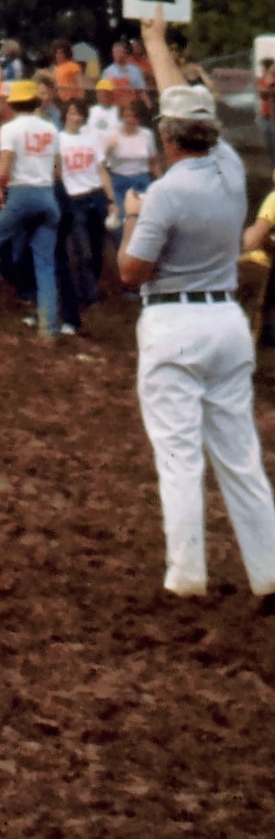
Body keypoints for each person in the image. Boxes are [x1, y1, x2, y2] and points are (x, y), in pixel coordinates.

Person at [118, 66, 275, 608]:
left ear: (166, 135)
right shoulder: (230, 168)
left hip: (174, 323)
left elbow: (131, 272)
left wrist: (130, 217)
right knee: (240, 454)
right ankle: (269, 571)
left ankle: (186, 576)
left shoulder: (163, 194)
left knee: (180, 457)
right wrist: (160, 49)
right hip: (225, 319)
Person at [0, 80, 61, 338]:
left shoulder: (10, 129)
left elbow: (3, 170)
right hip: (47, 195)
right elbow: (57, 171)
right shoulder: (51, 129)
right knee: (45, 263)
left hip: (21, 194)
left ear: (14, 103)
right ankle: (48, 327)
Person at [55, 99, 114, 332]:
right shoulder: (59, 139)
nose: (75, 117)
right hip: (74, 198)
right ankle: (88, 296)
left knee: (97, 249)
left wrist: (111, 199)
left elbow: (101, 169)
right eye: (71, 113)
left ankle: (89, 288)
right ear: (65, 115)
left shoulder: (91, 139)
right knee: (83, 249)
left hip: (95, 195)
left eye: (79, 113)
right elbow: (57, 172)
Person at [108, 99, 161, 238]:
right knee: (120, 222)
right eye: (128, 116)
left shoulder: (147, 134)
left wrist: (161, 182)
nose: (131, 120)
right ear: (122, 116)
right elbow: (102, 163)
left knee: (143, 222)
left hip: (141, 180)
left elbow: (153, 162)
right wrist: (108, 149)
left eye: (135, 117)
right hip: (120, 180)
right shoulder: (113, 134)